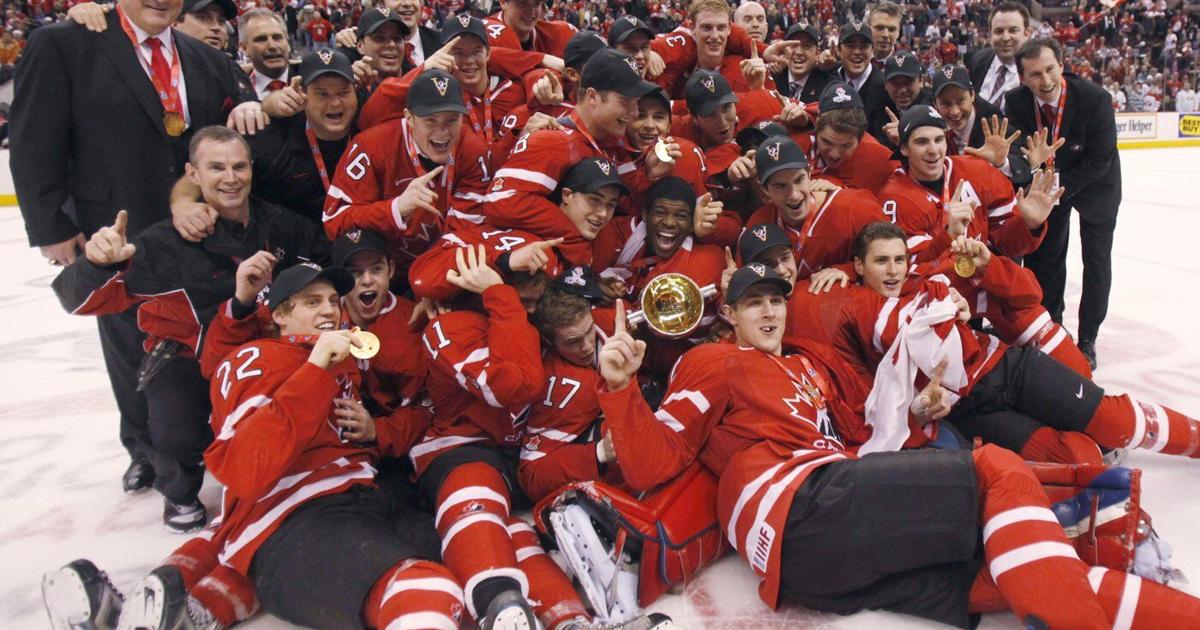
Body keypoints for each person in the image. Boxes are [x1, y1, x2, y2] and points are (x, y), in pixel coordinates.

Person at [596, 262, 1200, 628]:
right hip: (801, 504)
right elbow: (655, 460)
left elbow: (868, 433)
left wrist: (917, 413)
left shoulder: (811, 366)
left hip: (812, 569)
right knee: (996, 469)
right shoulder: (714, 361)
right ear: (730, 316)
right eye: (754, 303)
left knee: (997, 579)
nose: (770, 311)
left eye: (776, 299)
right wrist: (621, 390)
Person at [10, 0, 264, 499]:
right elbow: (34, 138)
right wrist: (51, 226)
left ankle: (200, 439)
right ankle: (145, 451)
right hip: (116, 228)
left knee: (197, 338)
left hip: (198, 229)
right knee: (130, 345)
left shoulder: (206, 59)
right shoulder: (65, 44)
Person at [49, 126, 328, 532]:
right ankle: (179, 490)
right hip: (189, 358)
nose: (230, 178)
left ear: (252, 169)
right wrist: (98, 265)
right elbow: (78, 301)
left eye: (239, 167)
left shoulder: (281, 224)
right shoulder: (163, 243)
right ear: (193, 174)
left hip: (262, 355)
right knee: (176, 430)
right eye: (216, 168)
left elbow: (327, 261)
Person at [1005, 37, 1121, 369]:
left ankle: (1088, 338)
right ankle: (1051, 326)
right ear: (1023, 78)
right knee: (1045, 257)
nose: (1045, 80)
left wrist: (1056, 188)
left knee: (1096, 261)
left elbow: (1100, 160)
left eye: (1050, 70)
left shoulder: (1095, 99)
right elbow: (1017, 153)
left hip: (1095, 187)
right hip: (1047, 187)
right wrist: (1038, 181)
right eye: (1035, 74)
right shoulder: (1016, 101)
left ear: (1061, 64)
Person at [486, 49, 660, 265]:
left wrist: (649, 174)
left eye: (637, 102)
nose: (634, 113)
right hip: (538, 269)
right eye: (626, 102)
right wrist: (573, 241)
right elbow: (502, 200)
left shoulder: (612, 140)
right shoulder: (554, 140)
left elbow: (625, 204)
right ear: (592, 96)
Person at [322, 68, 492, 271]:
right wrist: (395, 209)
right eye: (431, 120)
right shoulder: (371, 147)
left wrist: (430, 277)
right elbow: (334, 222)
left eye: (452, 119)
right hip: (381, 270)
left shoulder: (472, 150)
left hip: (442, 267)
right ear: (409, 118)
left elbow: (467, 230)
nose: (442, 131)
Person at [878, 106, 1050, 264]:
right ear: (904, 148)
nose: (933, 150)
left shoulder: (977, 171)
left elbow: (1009, 243)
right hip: (935, 287)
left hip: (981, 280)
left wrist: (1029, 225)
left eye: (939, 140)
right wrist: (949, 235)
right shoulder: (894, 197)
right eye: (922, 142)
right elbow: (910, 266)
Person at [931, 63, 1046, 188]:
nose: (955, 111)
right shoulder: (929, 127)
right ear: (935, 104)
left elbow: (1023, 171)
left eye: (960, 101)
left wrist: (1002, 163)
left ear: (972, 95)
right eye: (946, 104)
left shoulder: (996, 127)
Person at [966, 1, 1031, 111]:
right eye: (999, 31)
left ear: (1027, 33)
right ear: (990, 34)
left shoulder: (1036, 70)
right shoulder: (978, 60)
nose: (1005, 38)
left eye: (1013, 30)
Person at [772, 22, 833, 103]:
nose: (799, 52)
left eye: (806, 46)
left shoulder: (829, 86)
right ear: (784, 49)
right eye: (793, 45)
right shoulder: (772, 77)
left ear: (817, 53)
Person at [240, 8, 293, 99]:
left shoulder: (310, 80)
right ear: (244, 48)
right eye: (261, 39)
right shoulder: (235, 90)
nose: (272, 46)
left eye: (277, 38)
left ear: (288, 43)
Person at [866, 1, 903, 67]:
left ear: (898, 32)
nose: (885, 35)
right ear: (868, 28)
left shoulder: (907, 65)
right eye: (879, 28)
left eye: (891, 29)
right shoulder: (853, 59)